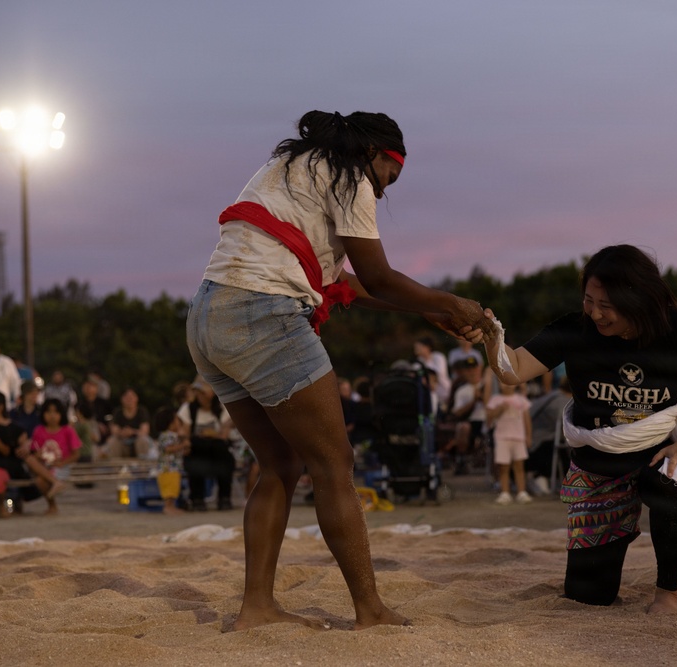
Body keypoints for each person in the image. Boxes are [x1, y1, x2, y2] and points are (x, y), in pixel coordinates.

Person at [186, 109, 488, 630]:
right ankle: (369, 610)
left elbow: (348, 285)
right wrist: (451, 302)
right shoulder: (352, 176)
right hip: (263, 312)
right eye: (388, 180)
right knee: (335, 464)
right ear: (375, 155)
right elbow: (378, 274)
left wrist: (429, 310)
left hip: (208, 317)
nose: (384, 192)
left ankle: (256, 608)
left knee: (280, 463)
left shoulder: (287, 166)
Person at [482, 245, 677, 613]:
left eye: (608, 305)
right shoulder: (575, 328)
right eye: (589, 300)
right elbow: (513, 370)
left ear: (640, 299)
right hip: (597, 463)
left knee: (674, 488)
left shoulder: (676, 325)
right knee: (589, 595)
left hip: (657, 451)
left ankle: (668, 593)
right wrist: (492, 336)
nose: (596, 313)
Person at [177, 379, 236, 512]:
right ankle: (197, 499)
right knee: (195, 458)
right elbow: (185, 433)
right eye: (198, 393)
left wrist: (212, 434)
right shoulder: (188, 409)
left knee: (224, 457)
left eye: (203, 393)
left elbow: (224, 433)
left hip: (217, 446)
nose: (200, 396)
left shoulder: (222, 407)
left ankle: (224, 498)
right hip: (197, 446)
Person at [28, 398, 80, 515]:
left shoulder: (68, 430)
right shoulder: (39, 431)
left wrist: (62, 463)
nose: (52, 416)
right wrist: (39, 454)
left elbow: (76, 454)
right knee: (30, 460)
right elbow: (34, 453)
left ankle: (53, 503)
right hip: (44, 466)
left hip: (62, 466)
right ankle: (55, 484)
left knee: (41, 480)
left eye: (56, 412)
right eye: (48, 412)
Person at [485, 381, 533, 504]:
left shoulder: (521, 399)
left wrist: (528, 436)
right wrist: (500, 409)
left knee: (519, 466)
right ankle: (505, 492)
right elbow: (489, 418)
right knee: (503, 467)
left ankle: (521, 491)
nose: (507, 384)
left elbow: (526, 419)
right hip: (502, 437)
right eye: (503, 382)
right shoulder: (496, 399)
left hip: (518, 437)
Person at [526, 376, 573, 494]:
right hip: (535, 445)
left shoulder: (553, 395)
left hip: (530, 440)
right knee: (566, 449)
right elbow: (565, 427)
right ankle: (539, 476)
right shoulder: (562, 401)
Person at [152, 406, 190, 515]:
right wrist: (182, 445)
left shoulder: (172, 436)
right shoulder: (166, 436)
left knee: (173, 488)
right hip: (167, 469)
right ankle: (168, 507)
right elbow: (168, 449)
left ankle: (172, 506)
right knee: (169, 489)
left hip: (173, 468)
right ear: (171, 423)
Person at [104, 388, 154, 459]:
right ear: (122, 399)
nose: (129, 400)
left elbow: (145, 430)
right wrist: (123, 433)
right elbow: (114, 430)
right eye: (126, 397)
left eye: (132, 397)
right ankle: (115, 465)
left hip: (137, 442)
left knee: (143, 440)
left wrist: (132, 432)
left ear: (136, 398)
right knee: (112, 441)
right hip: (122, 442)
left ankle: (143, 465)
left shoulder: (142, 411)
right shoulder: (118, 412)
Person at [414, 336, 451, 413]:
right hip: (429, 393)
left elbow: (439, 373)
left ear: (427, 347)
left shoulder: (438, 357)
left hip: (444, 391)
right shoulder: (418, 361)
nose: (416, 349)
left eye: (419, 347)